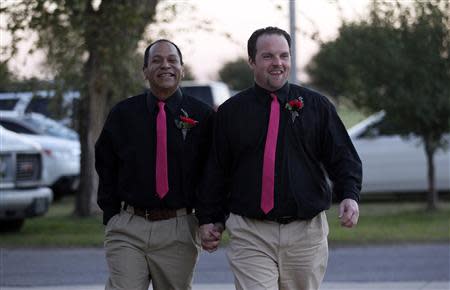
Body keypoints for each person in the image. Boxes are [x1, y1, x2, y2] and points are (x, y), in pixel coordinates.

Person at [196, 27, 362, 290]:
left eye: (284, 56)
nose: (278, 63)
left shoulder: (316, 106)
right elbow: (216, 170)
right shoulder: (230, 112)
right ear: (252, 61)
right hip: (250, 232)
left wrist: (350, 195)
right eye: (268, 56)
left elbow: (342, 156)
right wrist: (208, 218)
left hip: (306, 233)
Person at [95, 39, 214, 290]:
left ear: (182, 68)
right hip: (128, 226)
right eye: (156, 60)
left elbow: (212, 173)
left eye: (172, 60)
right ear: (145, 71)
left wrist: (209, 219)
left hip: (179, 228)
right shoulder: (123, 114)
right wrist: (111, 214)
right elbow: (105, 162)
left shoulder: (203, 116)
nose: (165, 65)